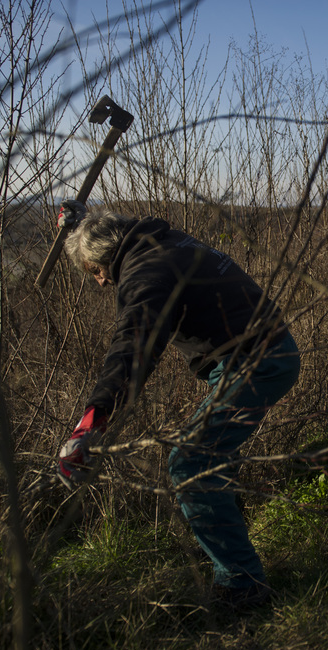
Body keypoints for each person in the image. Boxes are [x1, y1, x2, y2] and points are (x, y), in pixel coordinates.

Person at [54, 200, 300, 610]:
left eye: (96, 272)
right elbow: (113, 231)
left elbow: (132, 348)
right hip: (259, 353)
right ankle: (237, 554)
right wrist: (80, 226)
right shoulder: (156, 240)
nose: (100, 283)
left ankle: (243, 586)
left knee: (190, 463)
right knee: (211, 458)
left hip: (257, 362)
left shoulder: (147, 273)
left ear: (106, 259)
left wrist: (89, 424)